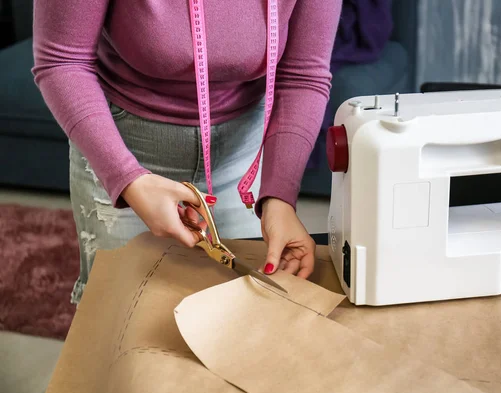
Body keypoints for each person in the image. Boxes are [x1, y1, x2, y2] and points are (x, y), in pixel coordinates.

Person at [32, 0, 342, 304]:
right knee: (118, 321)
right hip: (119, 150)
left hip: (244, 160)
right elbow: (62, 61)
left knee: (240, 317)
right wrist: (127, 179)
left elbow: (303, 74)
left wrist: (279, 196)